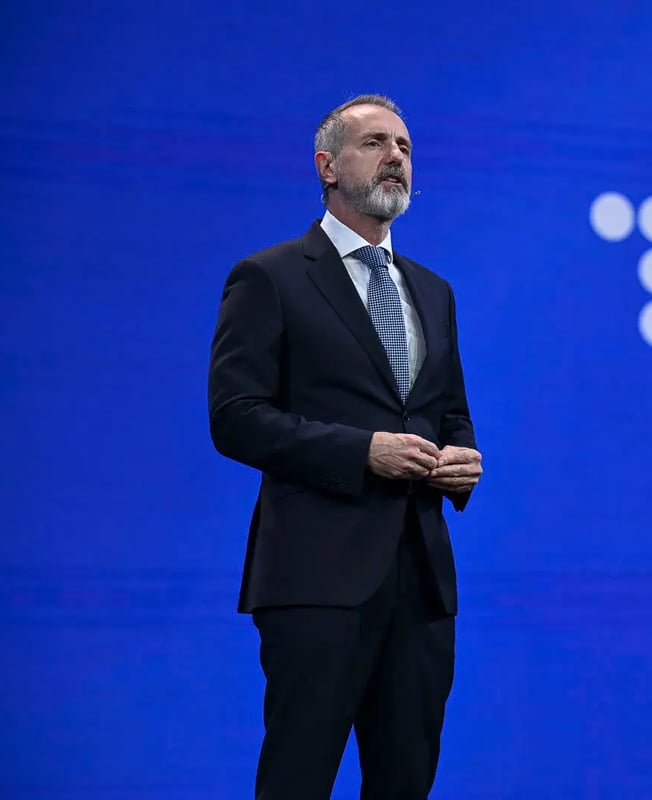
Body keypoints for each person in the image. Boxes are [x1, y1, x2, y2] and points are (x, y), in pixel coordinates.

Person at [208, 93, 482, 799]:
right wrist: (361, 452)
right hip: (316, 577)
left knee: (406, 780)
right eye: (376, 144)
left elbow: (447, 412)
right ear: (328, 166)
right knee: (300, 777)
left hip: (420, 581)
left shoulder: (434, 290)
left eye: (406, 147)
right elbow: (236, 417)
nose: (397, 157)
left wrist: (461, 461)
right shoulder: (269, 276)